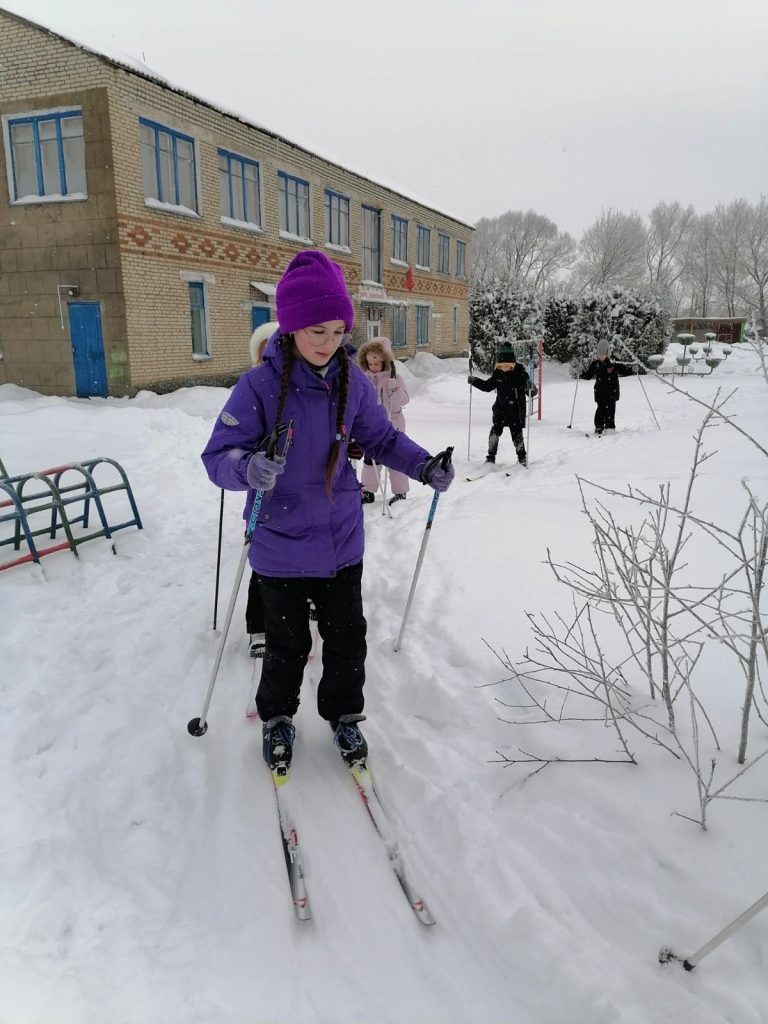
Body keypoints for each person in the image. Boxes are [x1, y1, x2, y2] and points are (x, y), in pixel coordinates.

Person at [201, 250, 454, 775]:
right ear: (292, 325)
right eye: (318, 330)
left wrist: (423, 465)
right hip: (280, 544)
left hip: (341, 542)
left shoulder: (350, 382)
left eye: (339, 331)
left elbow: (382, 438)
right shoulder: (257, 387)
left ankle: (344, 715)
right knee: (287, 645)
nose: (329, 342)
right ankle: (277, 717)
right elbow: (217, 457)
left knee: (347, 640)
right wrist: (248, 467)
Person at [245, 320, 279, 658]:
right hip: (263, 493)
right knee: (261, 565)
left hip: (300, 493)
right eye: (265, 350)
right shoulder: (251, 387)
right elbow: (232, 443)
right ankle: (258, 626)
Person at [357, 337, 411, 505]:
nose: (373, 367)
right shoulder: (364, 378)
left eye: (376, 363)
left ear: (385, 362)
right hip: (371, 427)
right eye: (370, 364)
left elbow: (402, 402)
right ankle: (367, 490)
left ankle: (400, 492)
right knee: (370, 459)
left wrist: (394, 388)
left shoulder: (395, 379)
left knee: (395, 459)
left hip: (393, 425)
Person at [467, 343, 534, 467]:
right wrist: (475, 381)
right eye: (501, 366)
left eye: (507, 366)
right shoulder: (498, 373)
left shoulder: (521, 374)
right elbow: (487, 386)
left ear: (513, 364)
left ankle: (522, 458)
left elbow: (532, 393)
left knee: (516, 435)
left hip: (516, 409)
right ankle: (491, 457)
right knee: (494, 431)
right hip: (500, 408)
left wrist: (531, 387)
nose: (504, 368)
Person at [579, 338, 645, 435]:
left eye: (603, 354)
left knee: (610, 410)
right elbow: (588, 376)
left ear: (608, 353)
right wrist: (581, 374)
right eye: (599, 355)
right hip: (600, 392)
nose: (601, 357)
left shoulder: (614, 363)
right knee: (600, 410)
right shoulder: (595, 364)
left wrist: (633, 370)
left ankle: (610, 427)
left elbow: (624, 371)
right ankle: (599, 426)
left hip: (611, 392)